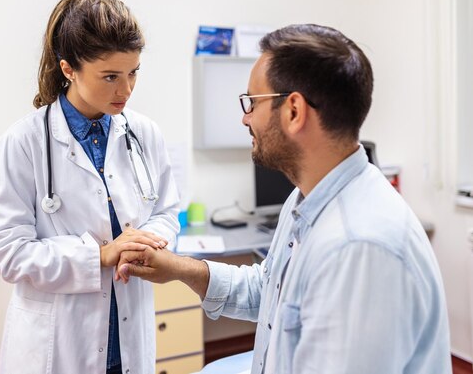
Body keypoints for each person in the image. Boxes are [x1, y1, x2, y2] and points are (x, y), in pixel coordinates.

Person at [116, 24, 452, 374]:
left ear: (294, 111)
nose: (245, 118)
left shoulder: (358, 247)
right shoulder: (305, 198)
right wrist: (178, 267)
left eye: (251, 102)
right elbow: (269, 290)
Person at [0, 0, 180, 374]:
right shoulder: (24, 143)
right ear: (69, 69)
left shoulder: (144, 133)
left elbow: (167, 211)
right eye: (110, 77)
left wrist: (145, 242)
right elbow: (9, 253)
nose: (126, 90)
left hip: (128, 339)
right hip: (58, 347)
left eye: (133, 72)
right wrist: (100, 255)